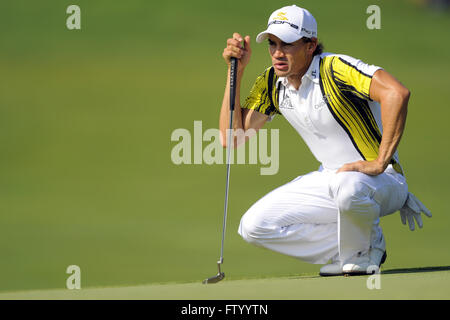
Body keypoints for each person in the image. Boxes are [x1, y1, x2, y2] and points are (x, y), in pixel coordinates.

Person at [219, 5, 432, 276]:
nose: (277, 52)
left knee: (349, 185)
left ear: (311, 45)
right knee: (254, 226)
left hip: (384, 179)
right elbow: (231, 137)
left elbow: (397, 93)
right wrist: (234, 71)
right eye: (272, 44)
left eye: (287, 44)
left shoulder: (336, 69)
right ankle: (354, 248)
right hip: (332, 178)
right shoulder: (273, 81)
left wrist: (380, 162)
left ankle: (361, 250)